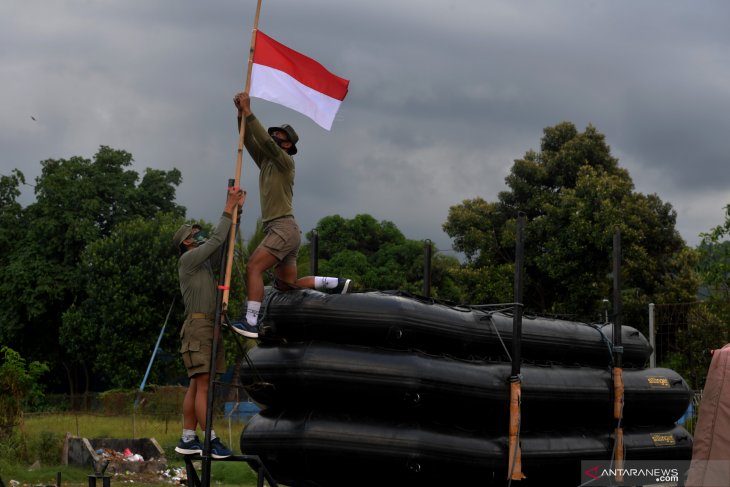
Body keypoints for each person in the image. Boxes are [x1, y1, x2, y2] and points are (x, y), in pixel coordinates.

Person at [232, 92, 351, 339]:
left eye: (280, 136)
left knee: (253, 266)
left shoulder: (284, 161)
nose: (274, 137)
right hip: (286, 230)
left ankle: (251, 321)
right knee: (288, 285)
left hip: (282, 228)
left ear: (287, 145)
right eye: (274, 133)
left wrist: (250, 111)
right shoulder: (267, 162)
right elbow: (250, 141)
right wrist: (240, 114)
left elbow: (263, 140)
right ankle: (334, 283)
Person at [172, 186, 245, 458]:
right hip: (198, 327)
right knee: (202, 386)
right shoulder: (189, 260)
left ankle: (188, 437)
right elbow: (215, 240)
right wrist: (227, 206)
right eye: (194, 234)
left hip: (207, 327)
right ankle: (210, 441)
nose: (199, 236)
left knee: (196, 385)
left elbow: (223, 244)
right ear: (188, 243)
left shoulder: (203, 264)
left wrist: (237, 210)